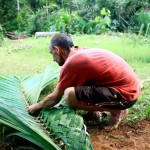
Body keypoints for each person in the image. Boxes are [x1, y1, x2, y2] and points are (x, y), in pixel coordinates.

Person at [28, 33, 141, 131]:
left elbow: (55, 97)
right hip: (127, 89)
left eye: (51, 53)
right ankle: (94, 113)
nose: (53, 58)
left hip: (125, 96)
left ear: (57, 50)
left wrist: (37, 106)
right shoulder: (79, 52)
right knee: (79, 86)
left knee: (69, 95)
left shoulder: (73, 63)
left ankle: (117, 111)